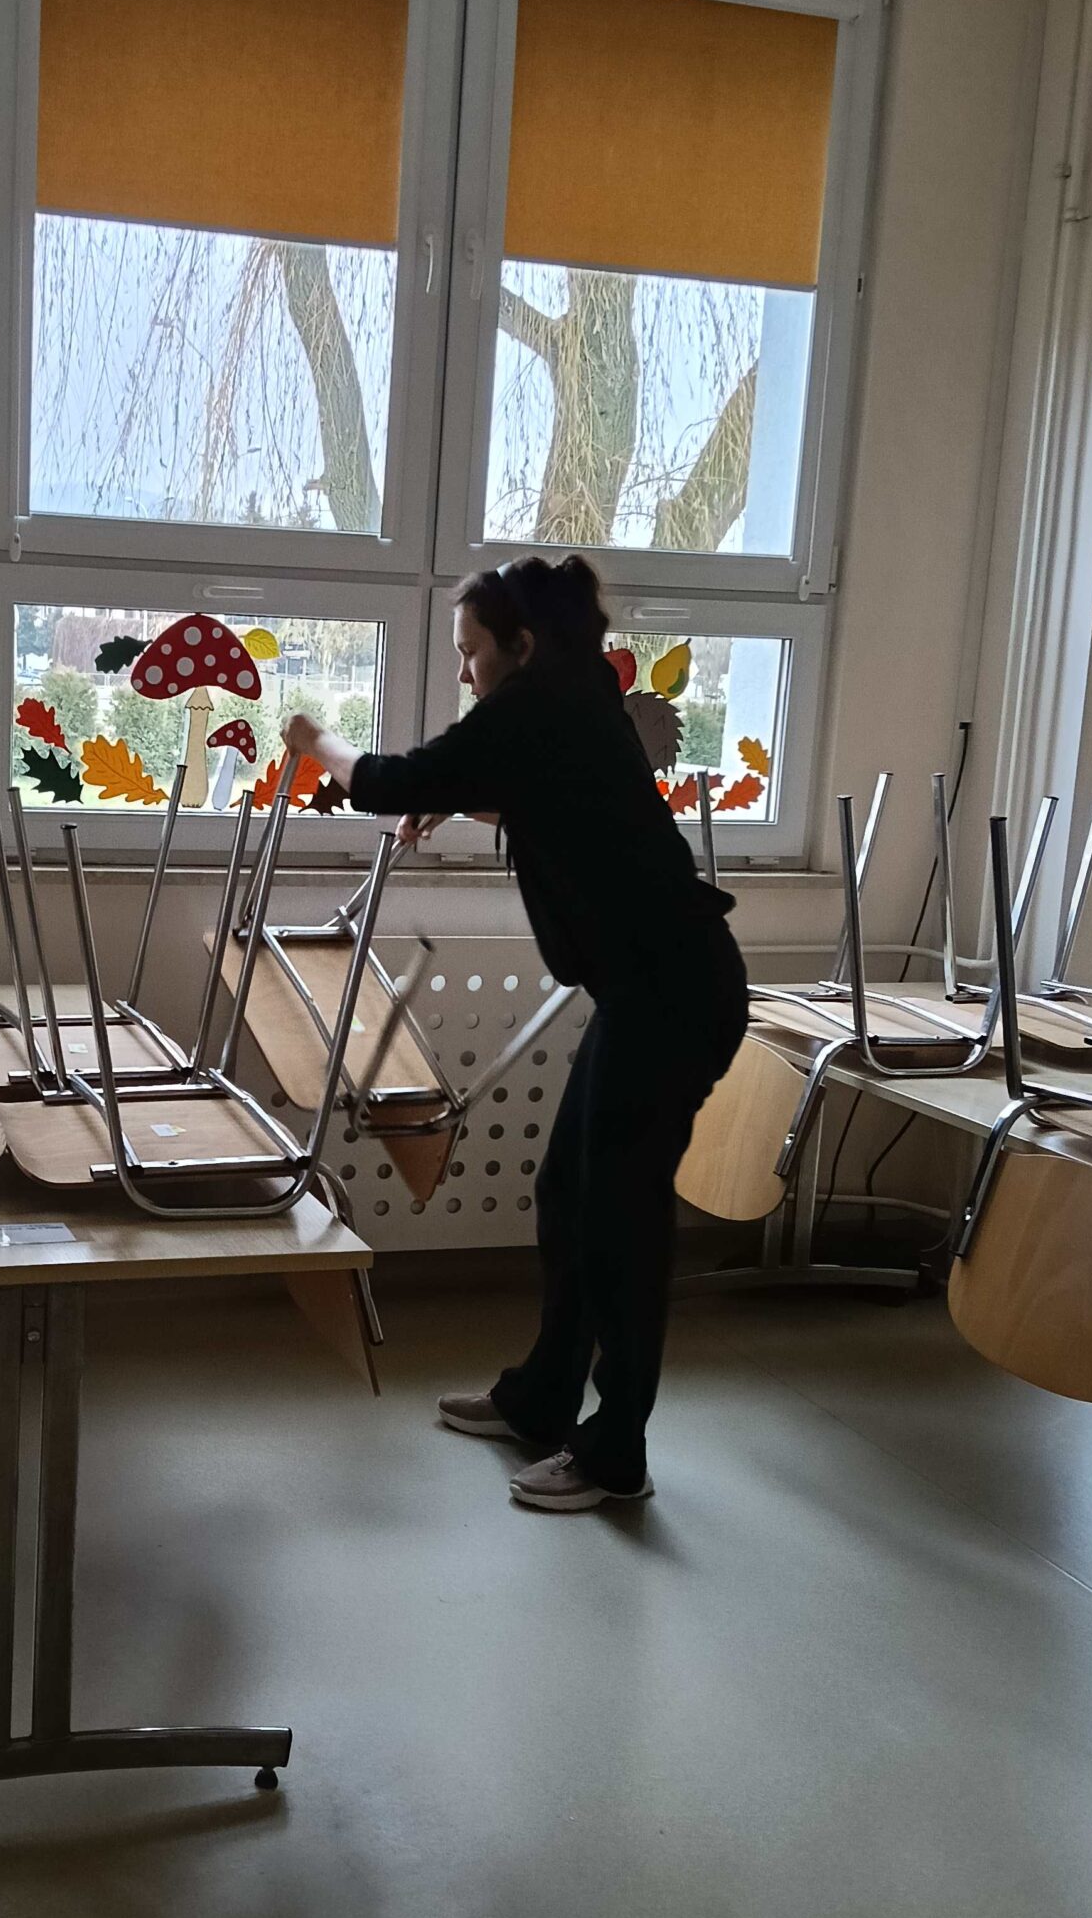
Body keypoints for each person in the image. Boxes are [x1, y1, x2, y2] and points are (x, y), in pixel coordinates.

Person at [282, 553, 748, 1513]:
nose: (464, 672)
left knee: (621, 1220)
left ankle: (615, 1455)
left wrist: (314, 739)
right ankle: (542, 1400)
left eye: (471, 652)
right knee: (571, 1192)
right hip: (650, 992)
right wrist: (456, 797)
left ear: (521, 646)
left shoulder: (540, 704)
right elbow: (544, 789)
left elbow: (384, 779)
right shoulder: (573, 698)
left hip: (671, 997)